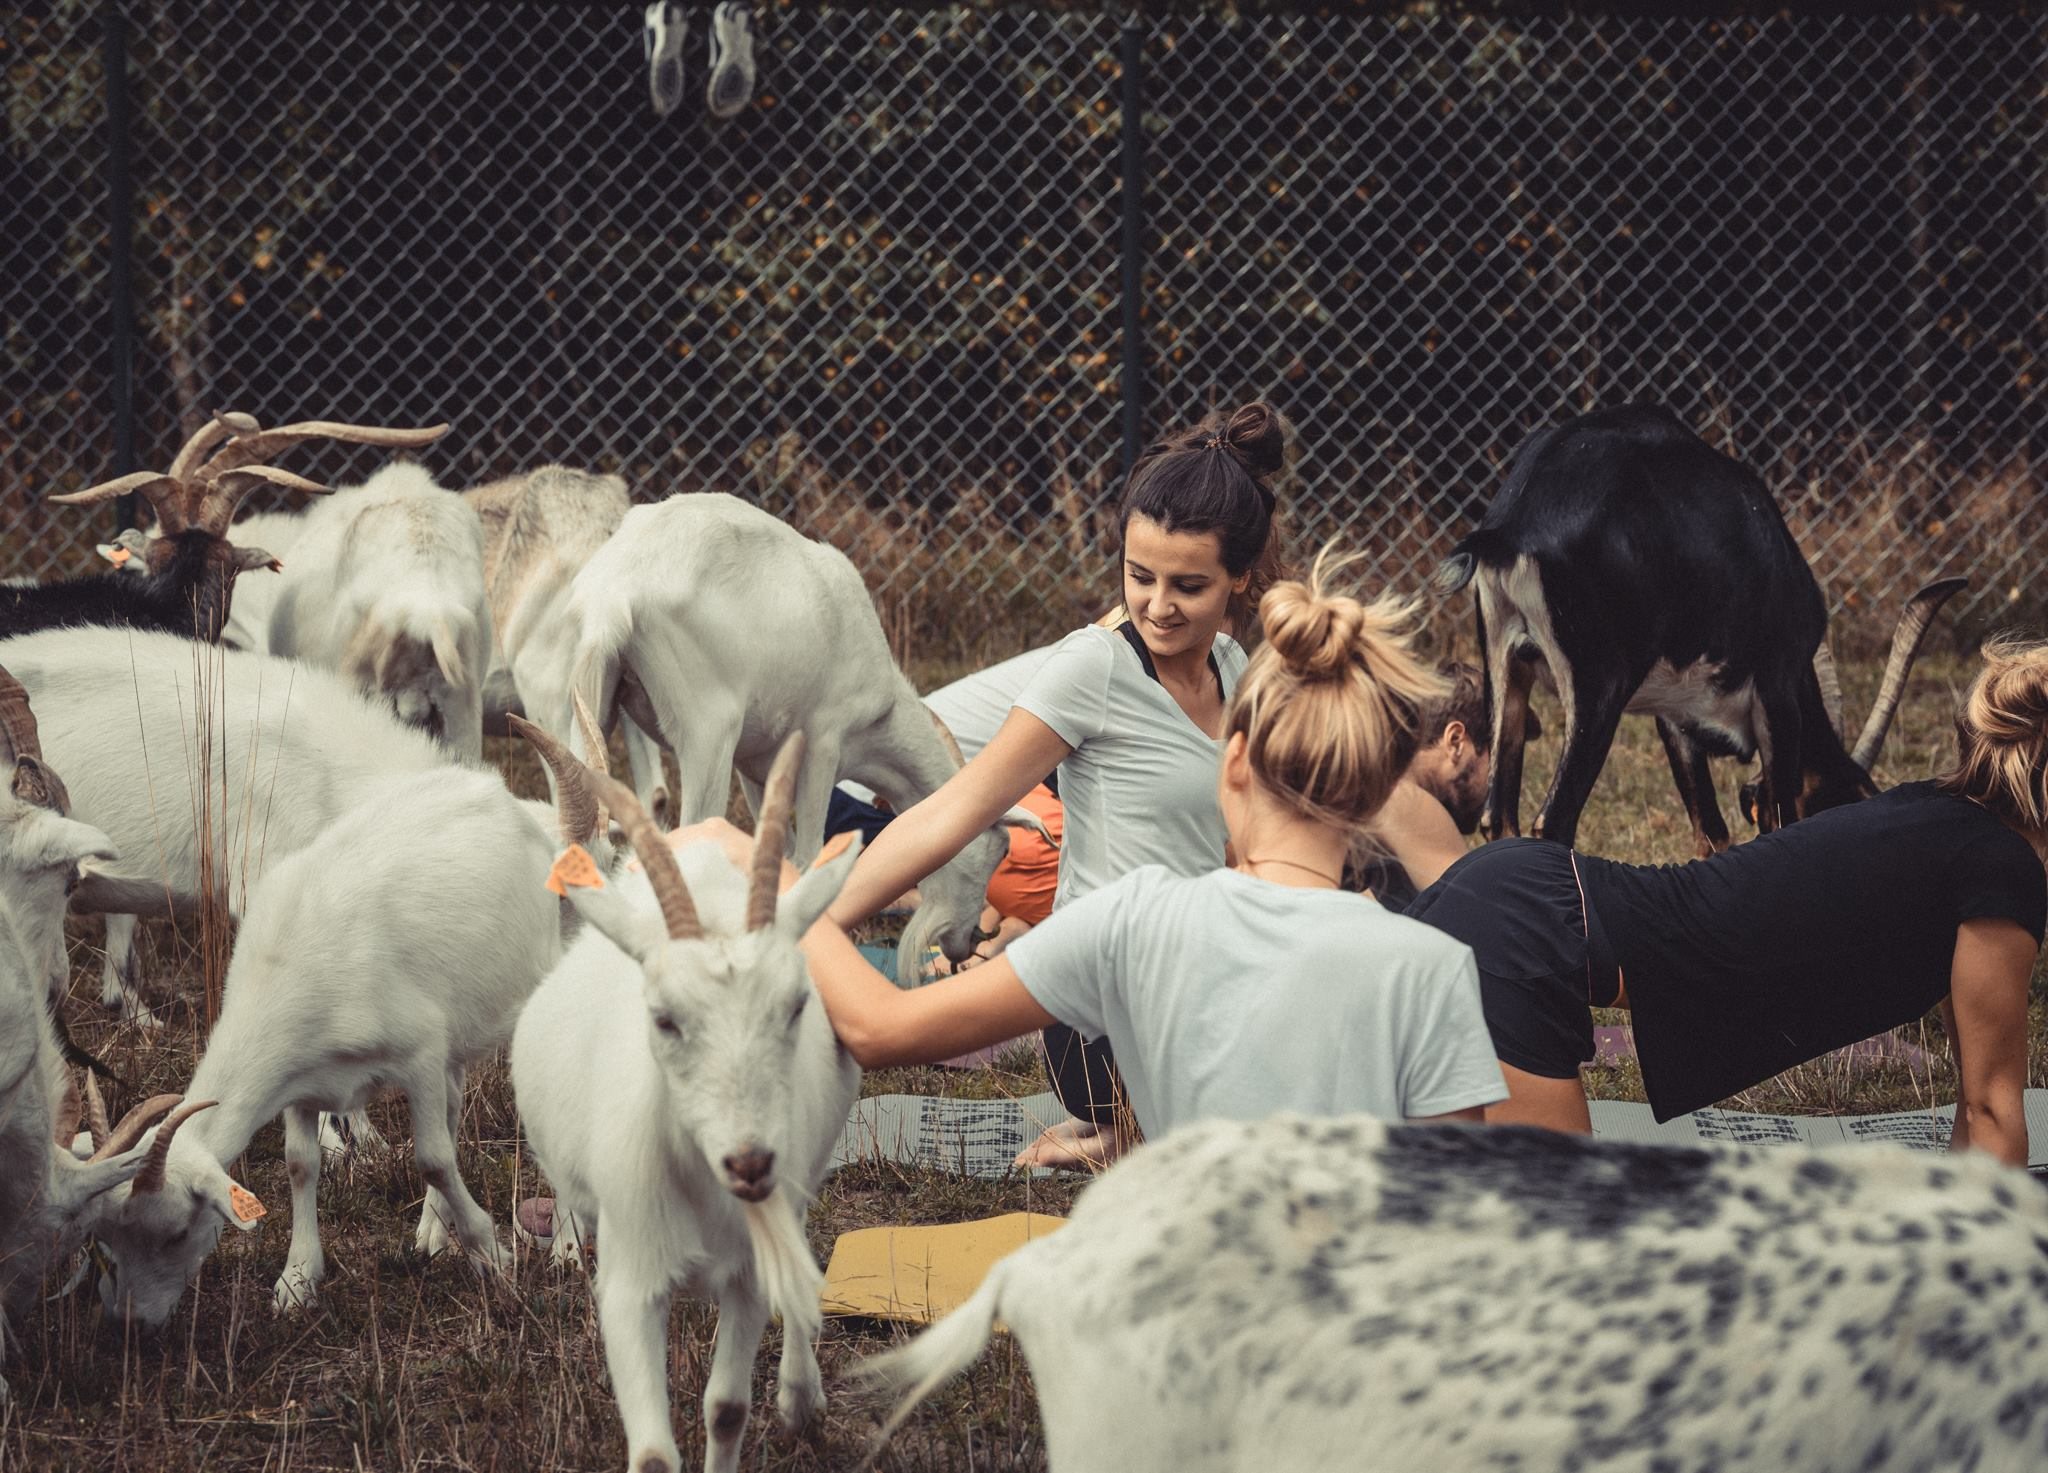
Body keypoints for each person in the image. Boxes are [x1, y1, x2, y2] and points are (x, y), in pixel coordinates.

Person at [718, 551, 1508, 1152]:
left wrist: (753, 868)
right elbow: (1450, 1218)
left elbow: (880, 1028)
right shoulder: (1435, 967)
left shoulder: (1134, 919)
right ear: (1371, 793)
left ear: (1232, 765)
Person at [821, 401, 1289, 1166]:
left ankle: (1124, 1138)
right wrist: (818, 915)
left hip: (1198, 981)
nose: (1157, 605)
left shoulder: (1236, 671)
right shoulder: (1093, 667)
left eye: (1188, 585)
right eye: (1139, 577)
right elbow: (955, 812)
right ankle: (1122, 1128)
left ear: (1239, 578)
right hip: (1104, 1013)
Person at [1403, 638, 2048, 1160]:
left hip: (1528, 898)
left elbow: (1976, 1104)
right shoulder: (2000, 869)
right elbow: (1992, 1110)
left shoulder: (1948, 824)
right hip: (1531, 930)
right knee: (1572, 1242)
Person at [1348, 661, 1538, 910]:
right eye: (1500, 762)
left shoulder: (1368, 782)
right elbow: (1481, 915)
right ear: (1456, 741)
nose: (1508, 786)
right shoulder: (1403, 799)